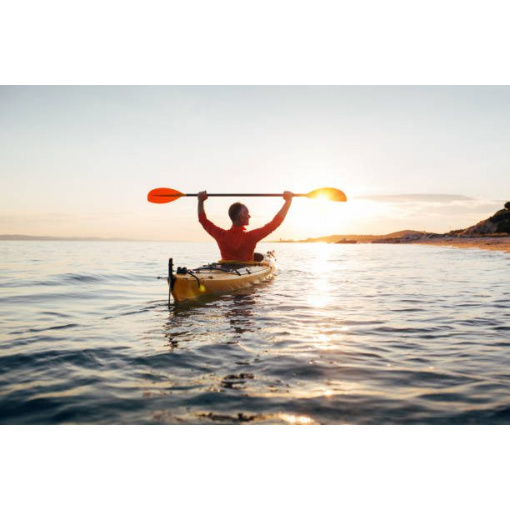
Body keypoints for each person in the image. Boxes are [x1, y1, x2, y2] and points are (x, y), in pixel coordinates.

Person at [197, 191, 293, 262]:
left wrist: (200, 201)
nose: (249, 216)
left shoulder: (220, 235)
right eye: (246, 213)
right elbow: (275, 223)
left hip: (226, 270)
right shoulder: (250, 237)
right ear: (239, 217)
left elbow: (203, 220)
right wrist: (288, 202)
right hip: (246, 271)